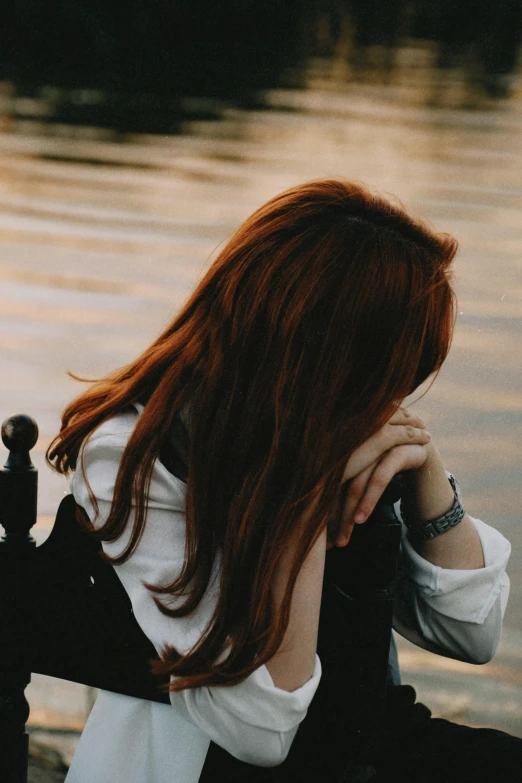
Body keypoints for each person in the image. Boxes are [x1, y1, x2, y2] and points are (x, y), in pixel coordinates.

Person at [47, 179, 520, 782]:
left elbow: (471, 634)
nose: (392, 399)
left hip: (365, 738)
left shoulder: (353, 427)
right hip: (206, 762)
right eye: (387, 376)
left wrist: (424, 464)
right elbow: (258, 729)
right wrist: (303, 504)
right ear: (321, 358)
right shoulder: (134, 450)